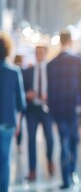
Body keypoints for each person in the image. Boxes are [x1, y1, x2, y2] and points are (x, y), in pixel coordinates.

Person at [47, 30, 81, 189]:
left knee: (63, 140)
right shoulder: (77, 60)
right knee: (73, 140)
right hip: (73, 108)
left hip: (58, 109)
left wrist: (51, 109)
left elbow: (49, 89)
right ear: (70, 41)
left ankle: (65, 178)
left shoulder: (52, 64)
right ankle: (72, 172)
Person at [0, 32, 26, 192]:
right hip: (7, 122)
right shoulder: (14, 72)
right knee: (4, 160)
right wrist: (18, 123)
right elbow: (21, 103)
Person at [22, 43, 54, 181]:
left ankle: (50, 160)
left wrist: (50, 96)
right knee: (31, 139)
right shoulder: (28, 71)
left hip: (46, 109)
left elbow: (56, 89)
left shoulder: (52, 71)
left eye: (41, 52)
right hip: (32, 109)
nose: (38, 55)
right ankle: (32, 170)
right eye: (36, 52)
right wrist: (26, 94)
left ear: (45, 53)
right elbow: (21, 89)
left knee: (50, 138)